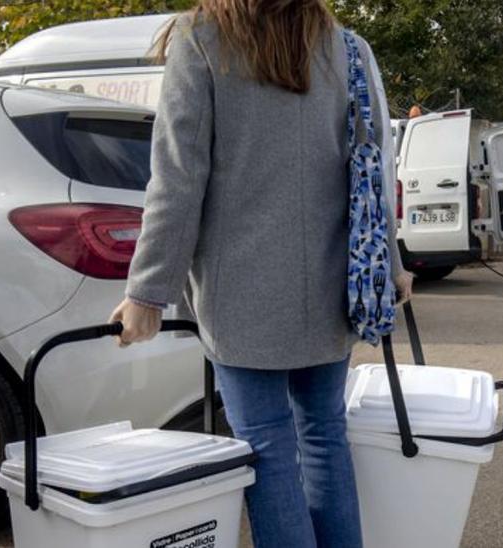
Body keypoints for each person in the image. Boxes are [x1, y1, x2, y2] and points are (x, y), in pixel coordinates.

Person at [107, 2, 412, 547]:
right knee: (325, 438)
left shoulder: (201, 38)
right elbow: (373, 169)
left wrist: (147, 293)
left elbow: (178, 177)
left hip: (239, 294)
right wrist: (388, 264)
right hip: (330, 286)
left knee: (267, 448)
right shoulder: (346, 47)